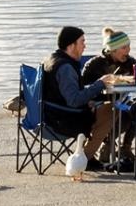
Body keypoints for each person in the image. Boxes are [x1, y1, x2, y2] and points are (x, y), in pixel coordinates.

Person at [40, 26, 116, 160]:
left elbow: (60, 93)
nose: (85, 46)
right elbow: (74, 101)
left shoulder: (50, 59)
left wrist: (88, 100)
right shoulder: (66, 68)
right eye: (82, 42)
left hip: (46, 116)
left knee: (100, 106)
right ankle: (85, 158)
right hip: (63, 120)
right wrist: (100, 84)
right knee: (112, 109)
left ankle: (87, 154)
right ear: (71, 46)